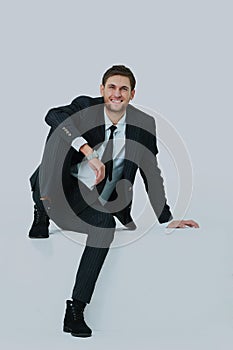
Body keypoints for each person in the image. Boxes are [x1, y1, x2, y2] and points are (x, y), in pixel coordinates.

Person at [28, 65, 199, 338]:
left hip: (92, 202)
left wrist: (166, 218)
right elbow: (52, 115)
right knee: (61, 128)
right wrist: (87, 150)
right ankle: (42, 206)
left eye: (123, 89)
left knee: (104, 224)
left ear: (132, 94)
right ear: (101, 90)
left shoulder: (143, 124)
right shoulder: (87, 107)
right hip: (59, 189)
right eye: (111, 87)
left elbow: (151, 172)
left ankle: (76, 309)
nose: (116, 94)